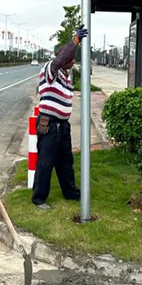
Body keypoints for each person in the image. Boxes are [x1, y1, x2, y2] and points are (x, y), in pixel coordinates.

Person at [32, 27, 88, 209]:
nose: (73, 61)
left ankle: (71, 193)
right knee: (45, 163)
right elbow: (61, 59)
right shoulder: (51, 70)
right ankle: (39, 198)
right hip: (49, 124)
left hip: (63, 125)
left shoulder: (66, 74)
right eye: (70, 58)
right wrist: (75, 41)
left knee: (65, 162)